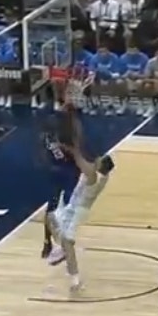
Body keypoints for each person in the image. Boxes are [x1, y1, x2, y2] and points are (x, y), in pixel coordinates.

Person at [48, 105, 115, 294]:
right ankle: (61, 248)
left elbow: (79, 158)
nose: (98, 158)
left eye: (100, 159)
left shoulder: (95, 176)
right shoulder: (98, 172)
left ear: (101, 166)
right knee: (51, 217)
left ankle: (75, 280)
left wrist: (70, 147)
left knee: (68, 242)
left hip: (78, 210)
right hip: (74, 206)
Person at [42, 107, 82, 261]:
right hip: (67, 172)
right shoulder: (64, 137)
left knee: (51, 207)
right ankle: (63, 245)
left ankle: (47, 242)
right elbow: (74, 154)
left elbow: (44, 156)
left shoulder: (45, 138)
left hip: (54, 171)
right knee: (67, 209)